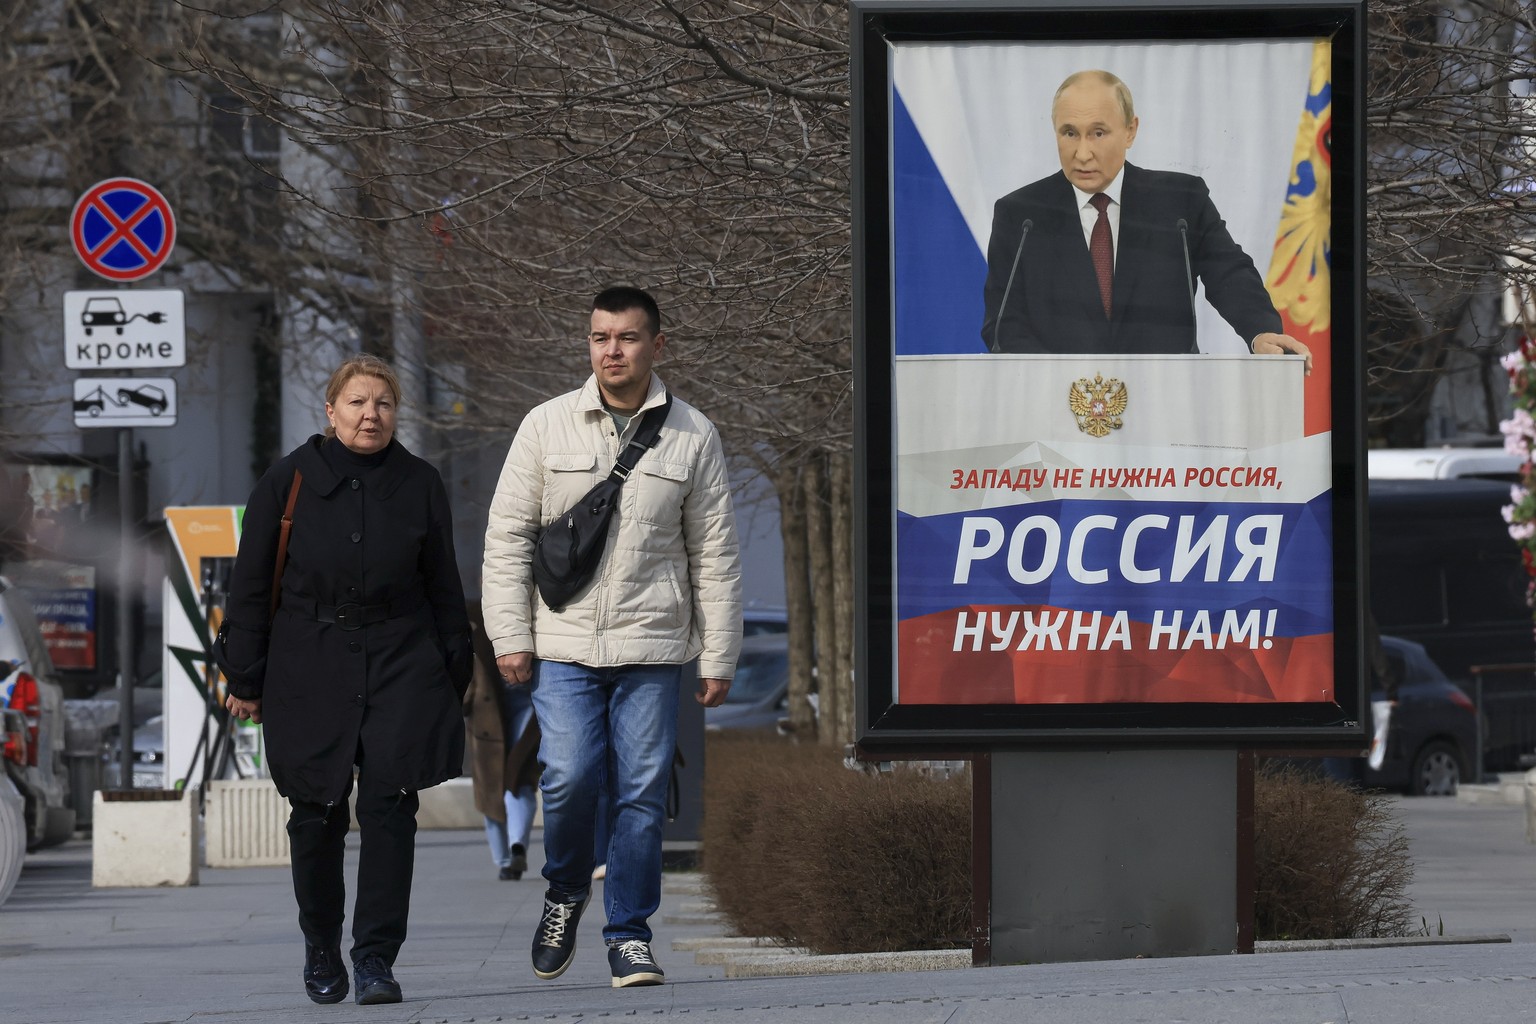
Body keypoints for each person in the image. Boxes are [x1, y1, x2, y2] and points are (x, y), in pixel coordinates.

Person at [481, 286, 742, 988]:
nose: (612, 350)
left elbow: (714, 553)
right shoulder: (545, 426)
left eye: (627, 337)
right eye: (601, 337)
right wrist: (510, 635)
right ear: (588, 343)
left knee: (643, 791)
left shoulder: (695, 433)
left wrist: (718, 654)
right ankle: (565, 891)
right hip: (563, 644)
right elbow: (506, 538)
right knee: (568, 777)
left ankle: (629, 933)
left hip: (653, 648)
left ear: (658, 344)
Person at [219, 354, 472, 1006]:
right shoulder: (288, 481)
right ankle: (322, 945)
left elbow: (444, 583)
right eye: (357, 403)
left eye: (383, 403)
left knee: (391, 808)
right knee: (316, 810)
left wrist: (454, 671)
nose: (371, 415)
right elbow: (249, 588)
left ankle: (376, 958)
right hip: (310, 659)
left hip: (401, 657)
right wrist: (244, 676)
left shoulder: (419, 483)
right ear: (330, 412)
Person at [979, 68, 1314, 368]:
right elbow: (1003, 323)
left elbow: (1229, 272)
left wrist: (1261, 331)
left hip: (1167, 404)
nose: (1082, 153)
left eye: (1098, 133)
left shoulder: (1181, 203)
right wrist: (1060, 384)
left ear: (1130, 131)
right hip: (1060, 411)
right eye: (1069, 133)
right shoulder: (1021, 216)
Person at [464, 599, 541, 881]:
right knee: (494, 789)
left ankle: (511, 854)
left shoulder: (539, 609)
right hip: (489, 715)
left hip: (530, 709)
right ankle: (510, 853)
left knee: (517, 776)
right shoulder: (470, 616)